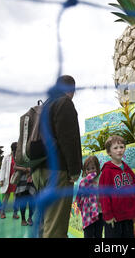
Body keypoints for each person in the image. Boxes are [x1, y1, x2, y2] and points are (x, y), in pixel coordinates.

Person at [32, 75, 83, 238]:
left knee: (44, 222)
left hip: (38, 170)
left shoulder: (43, 106)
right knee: (55, 227)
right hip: (57, 171)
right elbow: (69, 139)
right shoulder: (64, 102)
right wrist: (75, 170)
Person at [99, 135, 135, 238]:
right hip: (114, 218)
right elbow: (104, 195)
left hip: (128, 214)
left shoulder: (127, 169)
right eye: (115, 148)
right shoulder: (107, 171)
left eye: (121, 147)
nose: (119, 150)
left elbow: (134, 188)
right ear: (109, 152)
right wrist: (108, 215)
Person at [76, 155, 104, 238]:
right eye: (88, 169)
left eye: (93, 168)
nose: (91, 171)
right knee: (88, 234)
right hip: (87, 212)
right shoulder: (83, 181)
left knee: (98, 233)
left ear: (97, 168)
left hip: (100, 212)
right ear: (85, 170)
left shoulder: (100, 178)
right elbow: (79, 197)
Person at [0, 142, 19, 219]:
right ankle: (2, 212)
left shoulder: (18, 157)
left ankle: (15, 213)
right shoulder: (6, 157)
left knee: (16, 197)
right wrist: (1, 180)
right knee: (6, 197)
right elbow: (3, 169)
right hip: (8, 180)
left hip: (16, 180)